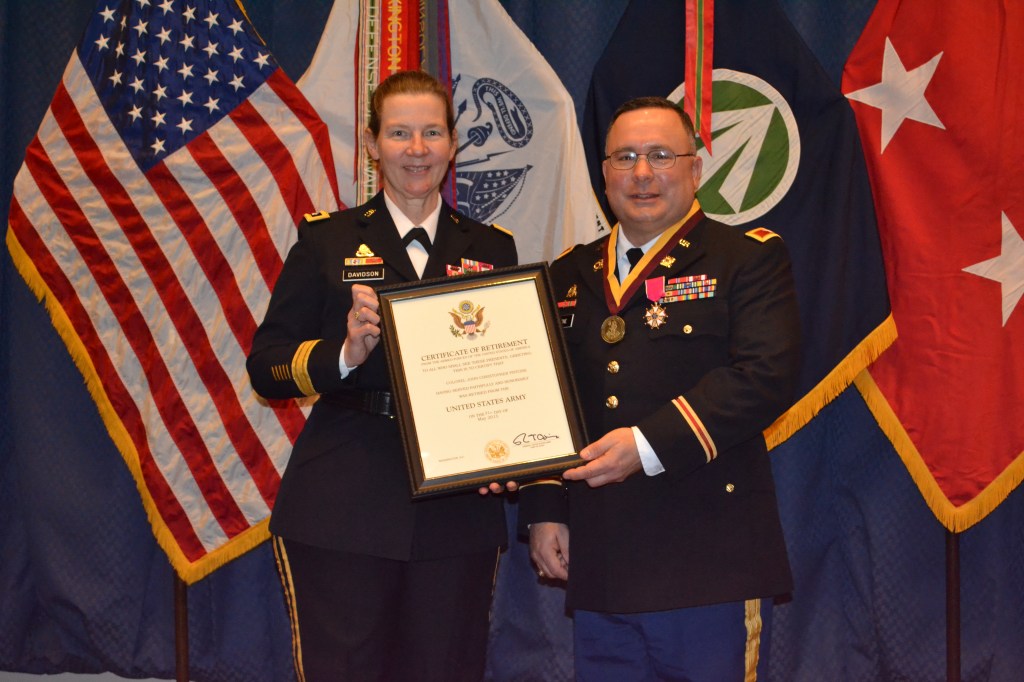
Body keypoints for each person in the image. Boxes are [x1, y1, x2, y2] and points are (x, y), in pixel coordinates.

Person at [247, 70, 517, 682]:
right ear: (372, 144)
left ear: (453, 143)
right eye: (399, 133)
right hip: (344, 500)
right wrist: (344, 354)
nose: (416, 150)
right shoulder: (328, 240)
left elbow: (507, 373)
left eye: (431, 133)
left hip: (455, 508)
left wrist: (510, 453)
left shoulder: (493, 249)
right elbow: (267, 366)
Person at [519, 96, 801, 680]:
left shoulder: (745, 259)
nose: (642, 173)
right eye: (624, 158)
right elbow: (547, 397)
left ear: (695, 169)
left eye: (660, 156)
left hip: (708, 560)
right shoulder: (567, 274)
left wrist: (644, 445)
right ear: (604, 174)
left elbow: (765, 375)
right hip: (601, 560)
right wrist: (544, 506)